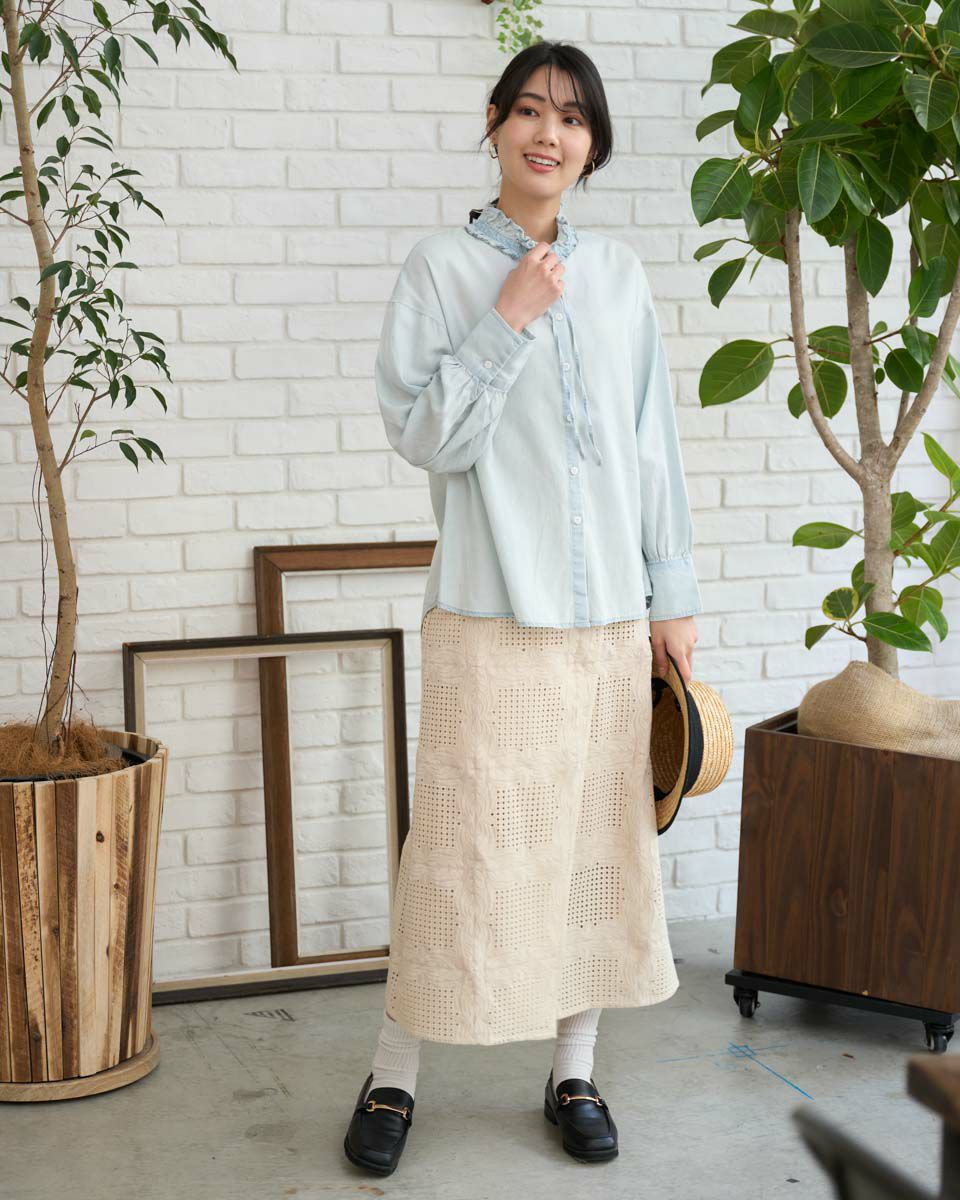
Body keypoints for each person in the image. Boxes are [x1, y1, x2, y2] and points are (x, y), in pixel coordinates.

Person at [344, 39, 700, 1176]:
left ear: (593, 146)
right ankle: (393, 1076)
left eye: (574, 118)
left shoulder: (621, 277)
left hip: (610, 624)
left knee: (595, 843)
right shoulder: (440, 268)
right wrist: (507, 316)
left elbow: (652, 447)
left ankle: (574, 1071)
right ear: (496, 123)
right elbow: (423, 437)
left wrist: (672, 595)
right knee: (460, 851)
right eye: (533, 111)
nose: (551, 133)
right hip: (490, 613)